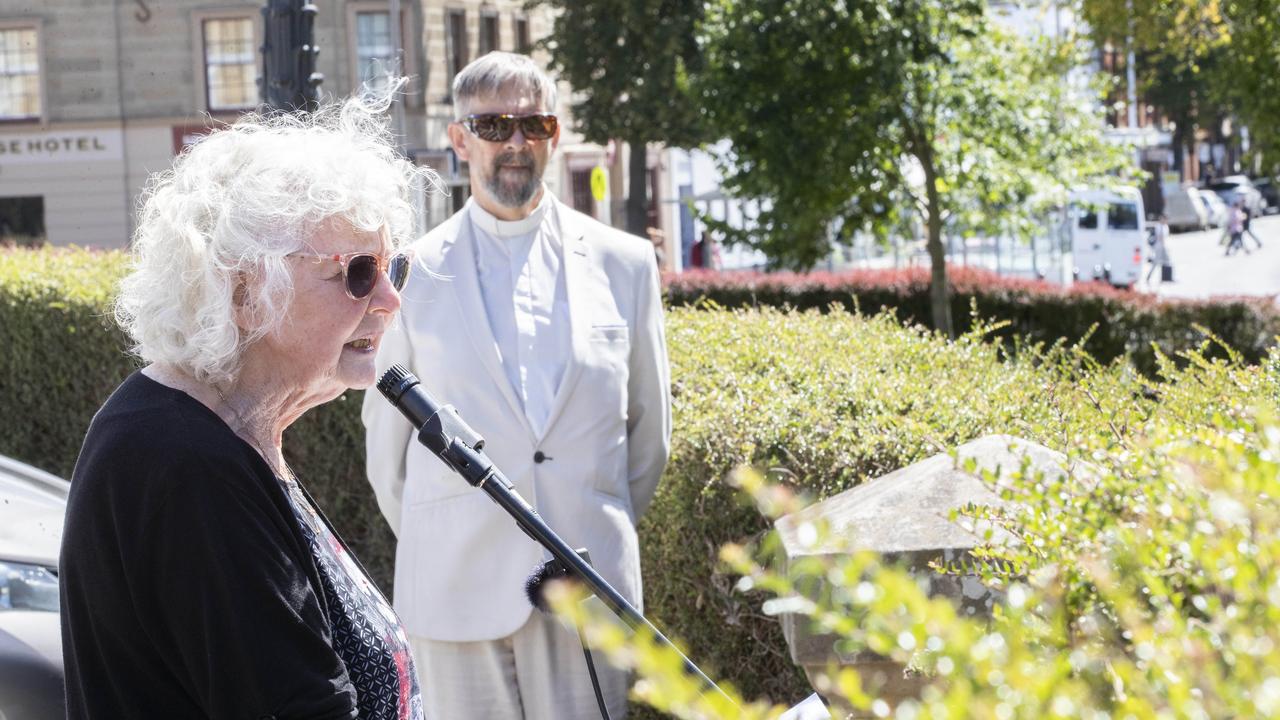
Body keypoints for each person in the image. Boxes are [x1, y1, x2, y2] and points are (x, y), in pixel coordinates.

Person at [60, 92, 432, 719]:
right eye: (359, 271)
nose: (390, 299)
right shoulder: (182, 464)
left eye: (396, 265)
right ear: (244, 292)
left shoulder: (229, 433)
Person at [362, 52, 671, 720]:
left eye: (534, 125)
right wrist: (450, 531)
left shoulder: (627, 265)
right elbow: (387, 460)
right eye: (495, 125)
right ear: (459, 138)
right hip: (455, 593)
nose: (515, 143)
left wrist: (579, 516)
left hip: (587, 595)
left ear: (555, 135)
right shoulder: (412, 273)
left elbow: (649, 441)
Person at [1145, 214, 1172, 284]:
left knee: (1166, 262)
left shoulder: (1166, 227)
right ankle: (1149, 276)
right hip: (1159, 247)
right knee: (1156, 262)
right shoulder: (1158, 226)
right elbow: (1160, 237)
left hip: (1164, 247)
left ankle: (1165, 277)